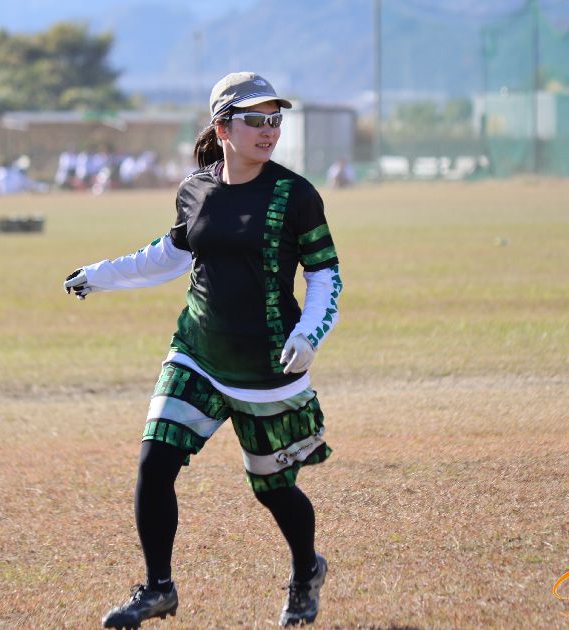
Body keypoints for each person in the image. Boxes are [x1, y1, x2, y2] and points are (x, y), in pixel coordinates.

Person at [64, 71, 343, 628]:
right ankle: (158, 588)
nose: (269, 131)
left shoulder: (296, 195)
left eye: (275, 120)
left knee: (273, 489)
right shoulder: (195, 188)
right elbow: (171, 254)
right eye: (255, 120)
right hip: (197, 351)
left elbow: (325, 274)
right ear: (222, 128)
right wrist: (99, 275)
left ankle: (306, 569)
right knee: (155, 461)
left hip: (268, 365)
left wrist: (308, 335)